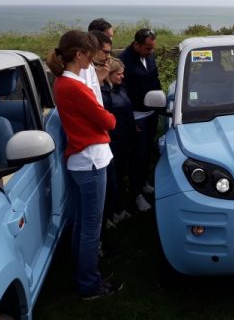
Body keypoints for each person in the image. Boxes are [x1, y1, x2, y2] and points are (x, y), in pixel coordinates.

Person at [46, 30, 123, 299]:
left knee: (82, 223)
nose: (92, 63)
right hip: (91, 160)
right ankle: (89, 284)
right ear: (78, 54)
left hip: (82, 160)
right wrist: (107, 116)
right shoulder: (74, 86)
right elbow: (107, 121)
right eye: (90, 57)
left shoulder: (62, 83)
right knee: (91, 228)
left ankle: (84, 276)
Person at [119, 28, 161, 212]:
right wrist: (130, 121)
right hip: (136, 116)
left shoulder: (149, 57)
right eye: (147, 48)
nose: (151, 52)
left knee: (146, 155)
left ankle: (143, 183)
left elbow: (155, 79)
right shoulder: (124, 61)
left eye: (152, 48)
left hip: (151, 113)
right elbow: (123, 93)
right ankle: (136, 194)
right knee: (137, 156)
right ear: (136, 44)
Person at [101, 58, 134, 228]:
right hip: (112, 143)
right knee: (111, 183)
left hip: (124, 140)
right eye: (119, 74)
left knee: (121, 177)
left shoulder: (121, 88)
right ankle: (108, 215)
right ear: (109, 74)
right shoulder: (104, 95)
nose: (122, 77)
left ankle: (117, 210)